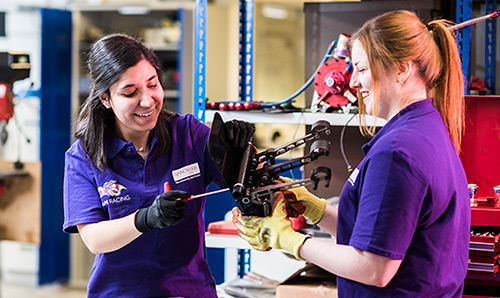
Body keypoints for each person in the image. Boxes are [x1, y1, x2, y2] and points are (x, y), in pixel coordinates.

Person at [232, 10, 470, 297]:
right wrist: (316, 209)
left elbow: (374, 267)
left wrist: (290, 240)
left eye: (362, 69)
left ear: (402, 69)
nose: (353, 82)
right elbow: (380, 234)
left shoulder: (397, 153)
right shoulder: (426, 128)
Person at [62, 33, 225, 298]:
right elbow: (94, 238)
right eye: (130, 92)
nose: (148, 101)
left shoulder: (189, 135)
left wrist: (243, 155)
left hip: (189, 291)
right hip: (119, 293)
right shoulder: (84, 156)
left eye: (152, 85)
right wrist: (146, 218)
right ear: (105, 99)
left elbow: (247, 186)